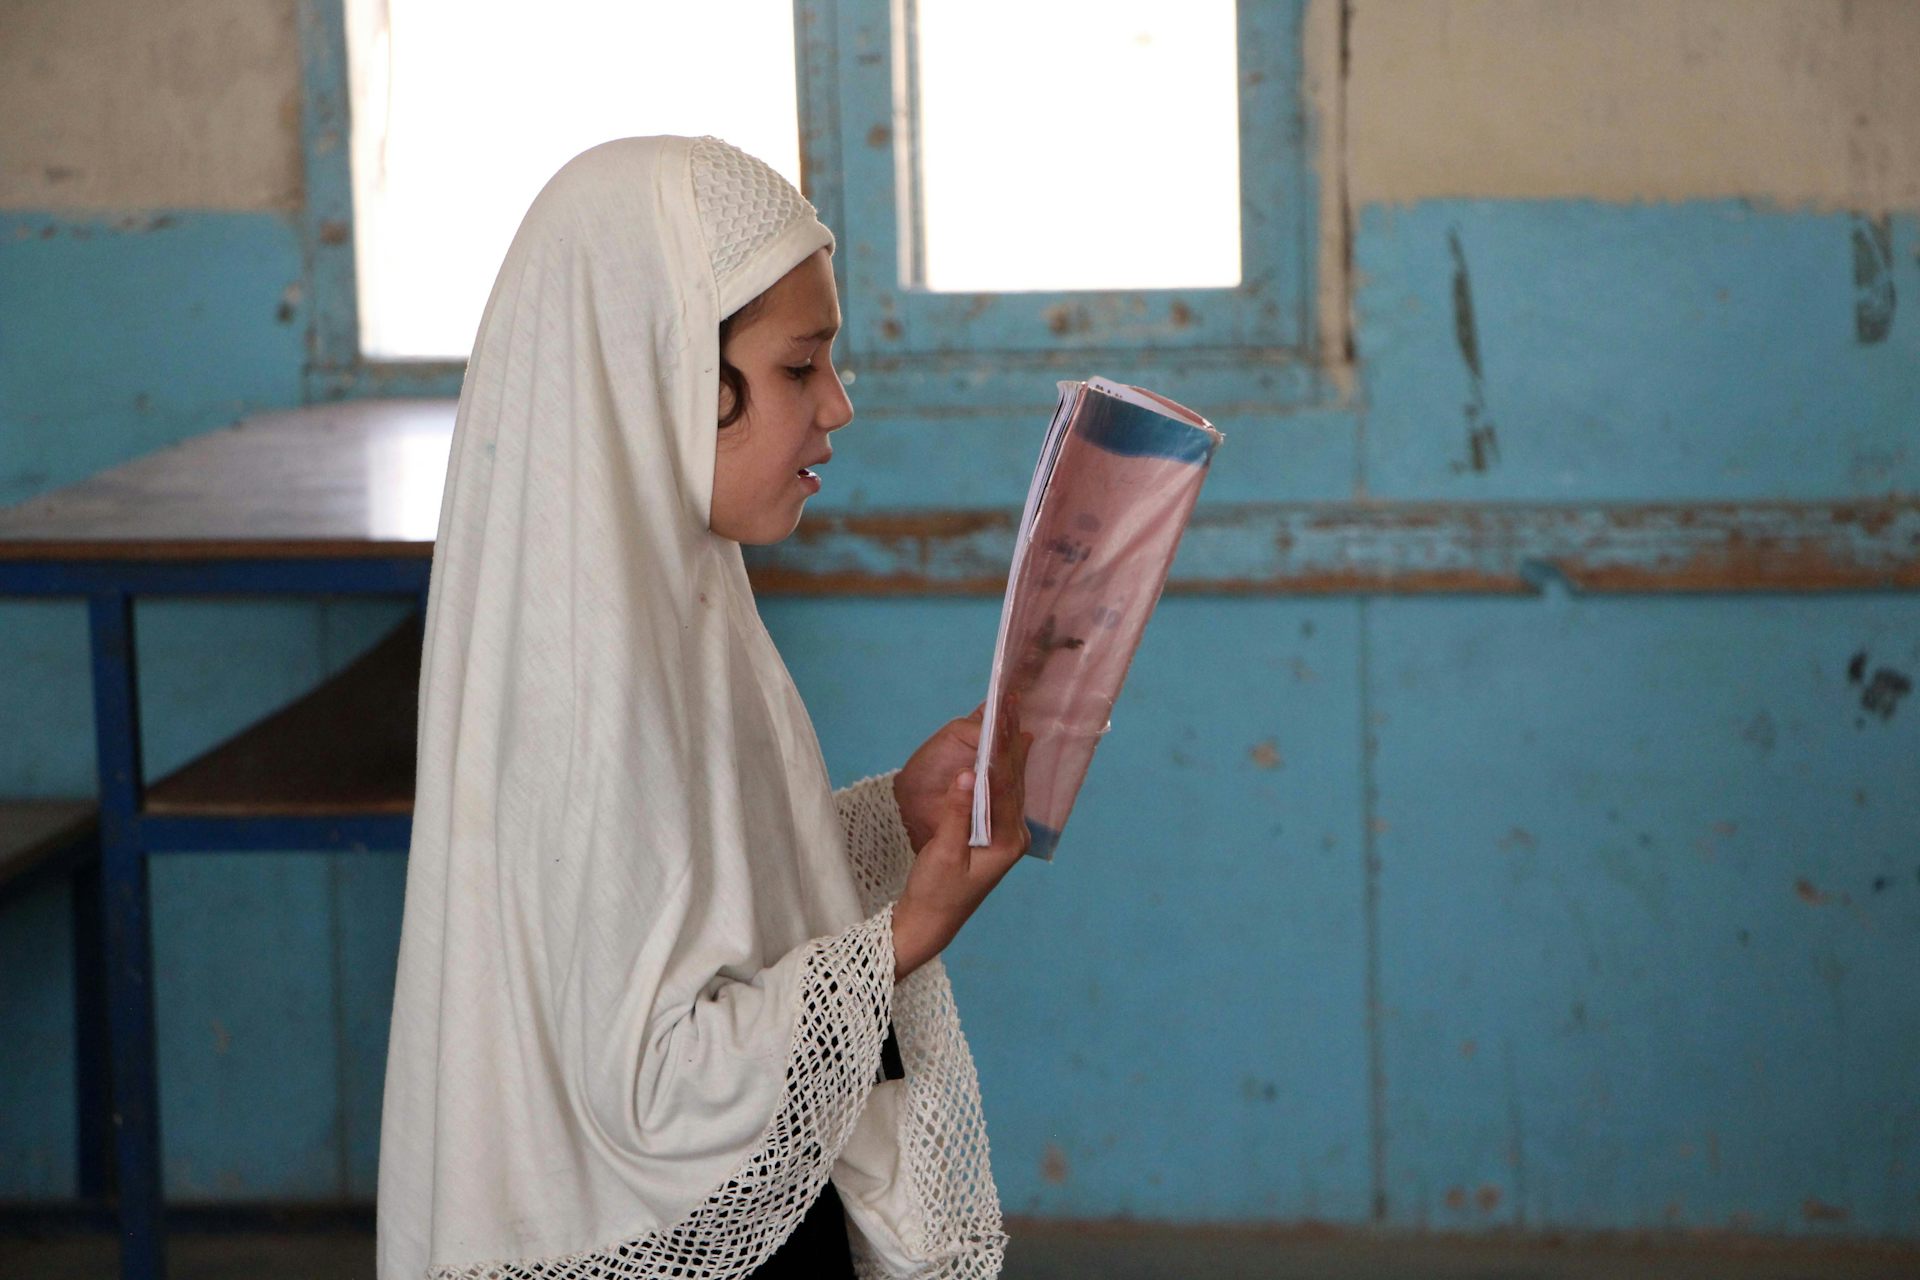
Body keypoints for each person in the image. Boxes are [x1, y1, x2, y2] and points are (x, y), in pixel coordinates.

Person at [376, 135, 1030, 1280]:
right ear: (662, 363)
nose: (839, 404)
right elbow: (655, 1091)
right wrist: (906, 934)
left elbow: (683, 903)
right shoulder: (583, 679)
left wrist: (891, 817)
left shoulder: (665, 596)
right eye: (799, 366)